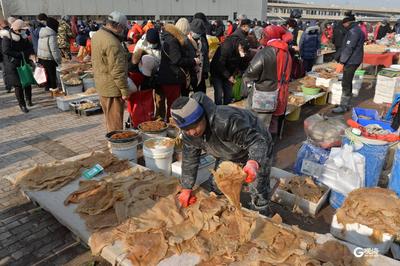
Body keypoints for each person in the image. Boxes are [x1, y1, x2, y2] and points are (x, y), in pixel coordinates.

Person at [171, 92, 273, 213]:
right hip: (228, 151)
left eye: (195, 126)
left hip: (256, 144)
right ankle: (223, 210)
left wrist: (253, 163)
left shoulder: (225, 121)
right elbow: (190, 160)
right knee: (217, 184)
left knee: (258, 187)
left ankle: (261, 213)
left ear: (202, 117)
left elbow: (257, 142)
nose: (192, 132)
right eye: (186, 129)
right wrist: (186, 188)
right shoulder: (189, 136)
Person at [243, 25, 293, 135]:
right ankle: (271, 142)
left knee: (260, 124)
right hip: (281, 93)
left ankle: (261, 146)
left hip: (265, 94)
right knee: (273, 121)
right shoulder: (287, 52)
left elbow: (251, 72)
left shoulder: (266, 52)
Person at [92, 11, 130, 132]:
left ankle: (112, 142)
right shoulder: (112, 43)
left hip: (102, 83)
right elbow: (117, 70)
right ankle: (117, 147)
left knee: (109, 118)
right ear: (118, 25)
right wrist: (124, 91)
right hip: (112, 88)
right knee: (115, 123)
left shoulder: (98, 34)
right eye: (123, 27)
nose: (123, 30)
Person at [158, 23, 199, 118]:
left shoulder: (167, 38)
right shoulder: (173, 41)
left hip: (167, 76)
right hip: (172, 77)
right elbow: (177, 59)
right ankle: (172, 125)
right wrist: (193, 61)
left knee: (169, 103)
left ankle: (169, 123)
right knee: (173, 104)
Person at [210, 19, 252, 105]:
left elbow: (241, 62)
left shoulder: (241, 46)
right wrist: (229, 76)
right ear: (239, 46)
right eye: (242, 50)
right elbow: (220, 63)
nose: (243, 53)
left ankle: (226, 111)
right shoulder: (227, 46)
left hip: (229, 71)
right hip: (217, 71)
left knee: (228, 94)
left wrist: (238, 72)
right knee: (219, 93)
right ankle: (218, 111)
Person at [2, 19, 36, 113]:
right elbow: (6, 51)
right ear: (17, 29)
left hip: (24, 62)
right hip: (12, 65)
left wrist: (30, 54)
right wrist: (21, 54)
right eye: (22, 29)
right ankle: (22, 104)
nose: (24, 31)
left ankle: (29, 100)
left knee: (27, 82)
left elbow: (30, 47)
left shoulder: (23, 36)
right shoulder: (7, 37)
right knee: (19, 85)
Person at [332, 16, 365, 114]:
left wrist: (342, 62)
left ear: (347, 23)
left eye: (344, 25)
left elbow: (348, 48)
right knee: (347, 81)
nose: (344, 27)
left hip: (352, 61)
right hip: (354, 59)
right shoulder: (357, 30)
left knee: (346, 83)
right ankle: (346, 104)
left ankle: (343, 106)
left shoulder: (353, 32)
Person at [37, 17, 62, 92]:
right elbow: (54, 49)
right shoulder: (51, 35)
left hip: (42, 57)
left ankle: (48, 88)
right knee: (52, 75)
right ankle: (54, 90)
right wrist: (58, 60)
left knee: (46, 74)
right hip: (49, 58)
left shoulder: (42, 32)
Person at [191, 18, 209, 94]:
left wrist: (206, 71)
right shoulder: (186, 40)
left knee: (201, 92)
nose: (197, 34)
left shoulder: (203, 40)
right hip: (191, 71)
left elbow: (205, 56)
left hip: (201, 72)